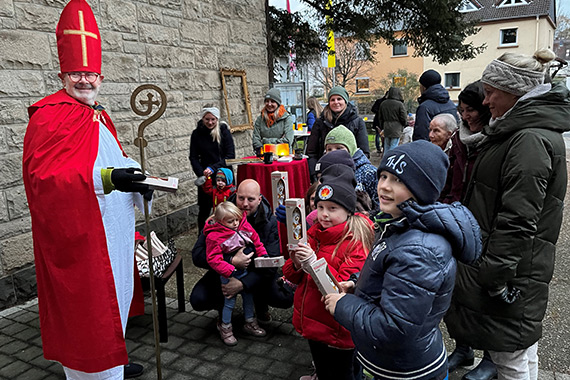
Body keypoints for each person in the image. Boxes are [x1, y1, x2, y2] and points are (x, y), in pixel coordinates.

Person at [22, 0, 150, 378]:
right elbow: (44, 181)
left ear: (101, 77)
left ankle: (114, 360)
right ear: (64, 74)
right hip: (80, 239)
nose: (84, 80)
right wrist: (108, 180)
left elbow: (113, 160)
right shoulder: (48, 117)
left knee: (115, 296)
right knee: (89, 311)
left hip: (113, 232)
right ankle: (97, 373)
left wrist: (139, 180)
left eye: (91, 73)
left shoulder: (98, 114)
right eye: (77, 73)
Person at [445, 49, 570, 380]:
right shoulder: (520, 132)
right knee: (521, 350)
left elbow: (518, 219)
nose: (485, 102)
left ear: (514, 91)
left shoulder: (528, 139)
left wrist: (495, 278)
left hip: (509, 273)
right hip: (516, 268)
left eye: (490, 92)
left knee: (508, 359)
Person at [323, 140, 481, 380]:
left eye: (398, 180)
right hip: (395, 362)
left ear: (422, 189)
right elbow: (391, 275)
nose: (384, 187)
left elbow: (394, 327)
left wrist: (343, 305)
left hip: (404, 370)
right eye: (384, 176)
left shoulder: (419, 249)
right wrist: (357, 284)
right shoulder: (398, 222)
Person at [283, 164, 375, 380]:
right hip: (314, 323)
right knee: (323, 369)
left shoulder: (356, 241)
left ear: (348, 210)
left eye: (332, 208)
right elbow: (290, 274)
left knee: (344, 374)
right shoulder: (314, 232)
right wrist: (296, 263)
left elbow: (342, 285)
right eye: (320, 206)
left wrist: (314, 262)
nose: (323, 214)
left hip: (338, 330)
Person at [440, 80, 495, 380]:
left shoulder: (495, 140)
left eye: (471, 110)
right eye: (462, 111)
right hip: (456, 220)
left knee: (484, 295)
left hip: (484, 225)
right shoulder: (459, 140)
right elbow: (451, 178)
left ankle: (491, 357)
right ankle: (463, 348)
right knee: (456, 292)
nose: (467, 116)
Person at [190, 179, 293, 322]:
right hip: (223, 271)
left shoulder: (270, 222)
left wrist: (243, 283)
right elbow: (197, 254)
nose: (245, 204)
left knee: (283, 297)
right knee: (198, 299)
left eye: (250, 199)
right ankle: (223, 313)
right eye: (241, 198)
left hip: (255, 272)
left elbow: (271, 263)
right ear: (236, 195)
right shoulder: (221, 214)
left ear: (259, 199)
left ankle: (260, 304)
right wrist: (231, 261)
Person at [204, 202, 269, 345]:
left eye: (236, 220)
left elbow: (256, 240)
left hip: (244, 271)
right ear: (221, 221)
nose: (235, 223)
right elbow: (213, 259)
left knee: (248, 296)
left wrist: (263, 255)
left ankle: (250, 321)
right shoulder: (214, 236)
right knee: (229, 301)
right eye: (230, 221)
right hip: (228, 273)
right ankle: (225, 327)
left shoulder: (243, 225)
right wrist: (230, 270)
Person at [306, 86, 370, 178]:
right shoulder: (320, 122)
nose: (336, 102)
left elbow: (364, 152)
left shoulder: (357, 122)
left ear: (345, 101)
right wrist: (314, 174)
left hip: (350, 172)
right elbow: (311, 152)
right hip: (324, 172)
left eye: (339, 99)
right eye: (332, 100)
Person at [190, 106, 235, 232]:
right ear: (203, 119)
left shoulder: (224, 131)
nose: (210, 122)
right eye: (207, 119)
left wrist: (213, 168)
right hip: (206, 177)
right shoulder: (196, 134)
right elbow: (193, 157)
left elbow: (230, 156)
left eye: (213, 120)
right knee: (204, 209)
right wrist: (201, 174)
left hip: (224, 174)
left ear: (217, 119)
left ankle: (229, 233)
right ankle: (202, 236)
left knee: (227, 207)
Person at [323, 125, 379, 209]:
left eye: (339, 148)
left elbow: (379, 203)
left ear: (351, 149)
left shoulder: (369, 172)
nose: (333, 153)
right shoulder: (327, 171)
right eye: (329, 149)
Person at [413, 69, 459, 141]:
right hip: (451, 147)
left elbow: (421, 135)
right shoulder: (451, 104)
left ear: (424, 87)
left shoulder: (424, 107)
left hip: (432, 148)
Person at [252, 88, 295, 155]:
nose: (269, 104)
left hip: (283, 157)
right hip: (264, 157)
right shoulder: (260, 119)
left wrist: (265, 141)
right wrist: (278, 141)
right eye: (267, 101)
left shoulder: (286, 118)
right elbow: (256, 140)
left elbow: (288, 140)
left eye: (272, 101)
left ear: (278, 103)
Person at [377, 87, 407, 152]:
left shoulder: (383, 103)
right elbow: (403, 117)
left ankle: (386, 160)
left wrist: (382, 126)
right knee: (394, 145)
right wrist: (404, 124)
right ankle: (391, 159)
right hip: (396, 127)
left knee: (386, 146)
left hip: (386, 126)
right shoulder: (399, 104)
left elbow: (380, 117)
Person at [371, 91, 388, 155]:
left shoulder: (379, 101)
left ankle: (379, 148)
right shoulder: (386, 102)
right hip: (382, 121)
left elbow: (373, 109)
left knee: (378, 135)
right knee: (381, 135)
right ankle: (382, 148)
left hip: (378, 120)